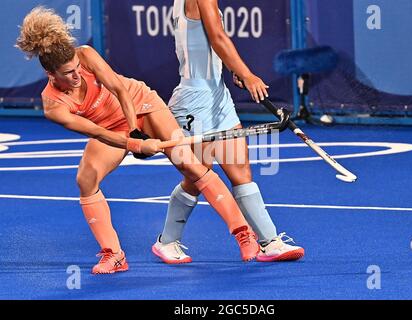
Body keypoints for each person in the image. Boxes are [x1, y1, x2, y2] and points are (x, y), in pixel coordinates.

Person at [15, 6, 260, 274]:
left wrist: (136, 130)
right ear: (52, 75)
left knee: (189, 164)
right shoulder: (54, 106)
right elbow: (97, 132)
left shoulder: (84, 55)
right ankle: (114, 254)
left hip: (142, 104)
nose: (76, 75)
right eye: (68, 73)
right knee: (86, 179)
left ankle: (243, 233)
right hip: (110, 129)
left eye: (76, 69)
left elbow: (120, 89)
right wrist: (135, 144)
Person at [152, 0, 305, 263]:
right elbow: (218, 37)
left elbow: (206, 46)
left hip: (217, 97)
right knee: (198, 178)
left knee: (241, 171)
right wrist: (247, 74)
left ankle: (270, 242)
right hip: (192, 101)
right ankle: (167, 241)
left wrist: (232, 69)